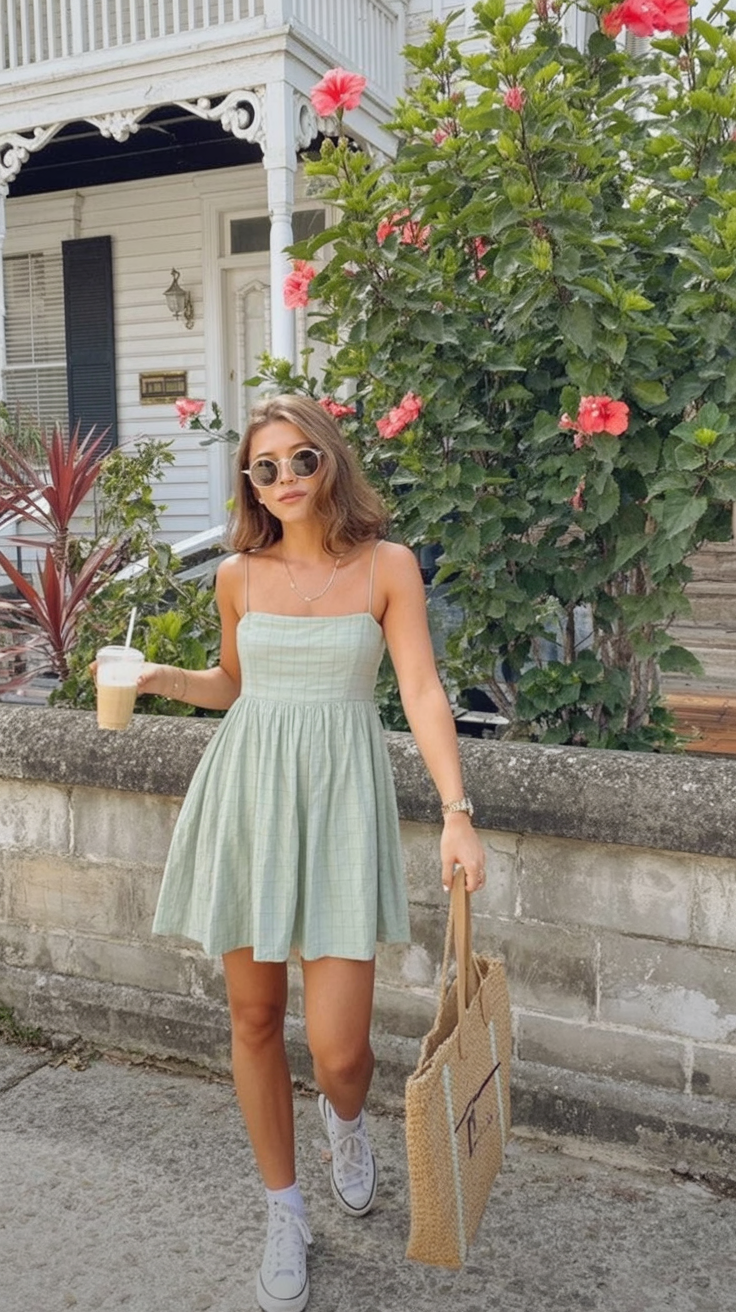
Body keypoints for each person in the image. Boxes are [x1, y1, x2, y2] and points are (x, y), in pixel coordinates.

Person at [127, 394, 486, 1312]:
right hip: (248, 798)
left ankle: (346, 1121)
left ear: (331, 461)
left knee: (340, 1051)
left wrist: (456, 811)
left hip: (339, 809)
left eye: (300, 459)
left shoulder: (386, 567)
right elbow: (232, 684)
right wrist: (158, 677)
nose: (284, 478)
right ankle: (284, 1210)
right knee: (252, 1021)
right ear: (250, 485)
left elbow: (421, 689)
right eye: (265, 468)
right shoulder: (238, 577)